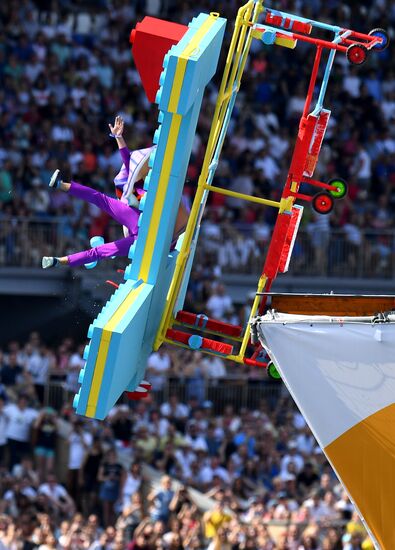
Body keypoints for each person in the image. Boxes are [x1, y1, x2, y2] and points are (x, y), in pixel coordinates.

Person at [41, 116, 189, 269]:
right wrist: (119, 137)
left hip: (139, 226)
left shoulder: (152, 186)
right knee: (99, 250)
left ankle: (60, 185)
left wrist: (119, 137)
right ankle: (58, 261)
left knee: (100, 203)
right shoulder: (149, 185)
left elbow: (130, 164)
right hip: (141, 233)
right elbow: (130, 164)